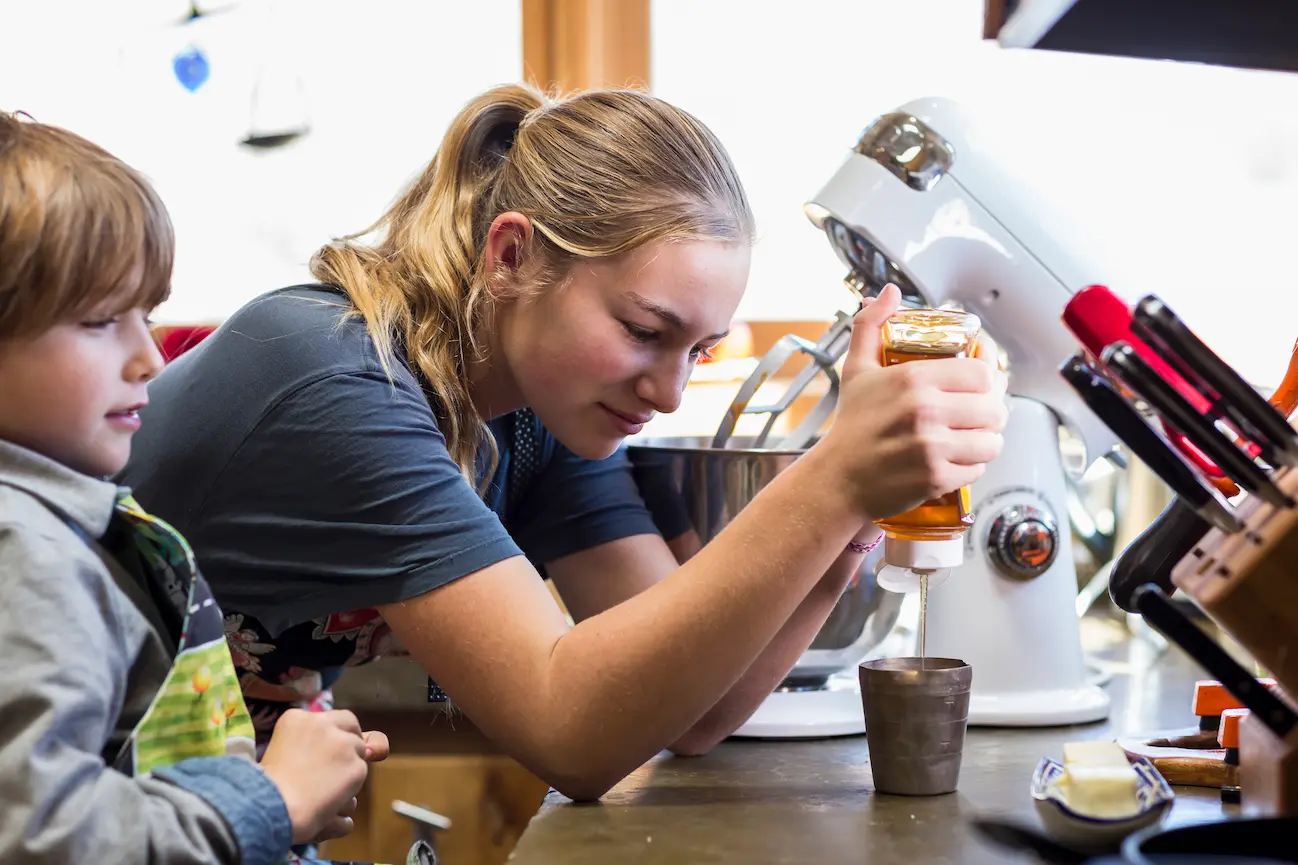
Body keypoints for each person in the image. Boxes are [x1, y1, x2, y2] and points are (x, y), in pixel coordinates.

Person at [121, 83, 1007, 802]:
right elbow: (572, 730)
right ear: (511, 258)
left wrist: (856, 514)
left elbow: (688, 711)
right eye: (643, 329)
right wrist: (832, 475)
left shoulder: (539, 416)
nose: (665, 390)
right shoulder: (342, 383)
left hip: (211, 803)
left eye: (697, 350)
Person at [0, 111, 401, 865]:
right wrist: (271, 799)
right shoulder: (27, 552)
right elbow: (37, 837)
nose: (150, 357)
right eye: (98, 321)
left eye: (144, 316)